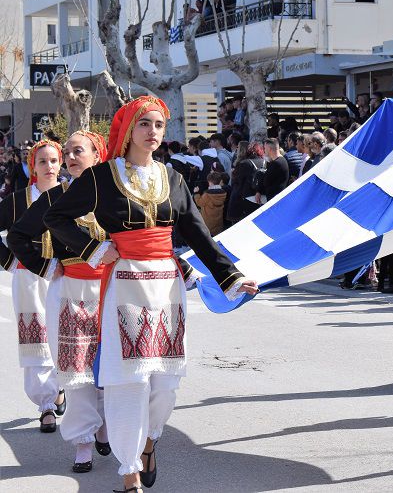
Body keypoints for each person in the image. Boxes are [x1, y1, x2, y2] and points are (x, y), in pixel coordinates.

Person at [43, 96, 258, 493]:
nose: (154, 132)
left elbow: (196, 232)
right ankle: (129, 471)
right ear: (128, 130)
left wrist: (230, 277)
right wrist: (93, 249)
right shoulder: (102, 177)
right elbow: (55, 217)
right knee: (129, 381)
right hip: (123, 285)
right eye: (145, 124)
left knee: (164, 385)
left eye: (159, 125)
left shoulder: (173, 177)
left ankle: (148, 439)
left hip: (167, 290)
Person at [8, 131, 111, 472]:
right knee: (74, 368)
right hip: (68, 291)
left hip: (112, 292)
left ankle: (106, 425)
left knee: (109, 365)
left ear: (98, 155)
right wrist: (45, 266)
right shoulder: (55, 198)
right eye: (65, 153)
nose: (67, 158)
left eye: (75, 152)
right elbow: (19, 235)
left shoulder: (114, 193)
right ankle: (82, 441)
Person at [0, 139, 65, 433]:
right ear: (32, 166)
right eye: (42, 161)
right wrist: (8, 262)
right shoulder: (16, 200)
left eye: (53, 160)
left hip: (67, 276)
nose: (49, 166)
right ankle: (46, 405)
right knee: (36, 337)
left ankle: (62, 386)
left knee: (65, 334)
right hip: (29, 278)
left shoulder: (73, 195)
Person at [253, 137, 289, 204]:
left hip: (275, 201)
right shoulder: (281, 160)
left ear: (269, 149)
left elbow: (266, 181)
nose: (264, 150)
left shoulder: (277, 163)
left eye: (265, 148)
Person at [193, 171, 227, 236]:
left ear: (210, 182)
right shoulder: (223, 193)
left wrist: (196, 193)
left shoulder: (207, 195)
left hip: (208, 222)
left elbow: (199, 203)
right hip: (218, 222)